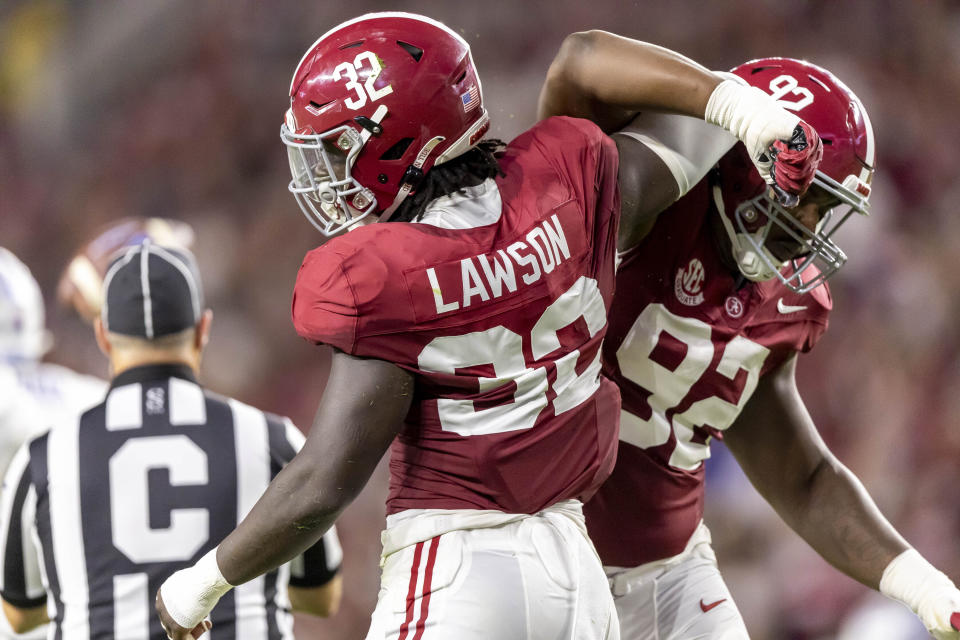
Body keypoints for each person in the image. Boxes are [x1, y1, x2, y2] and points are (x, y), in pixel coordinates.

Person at [155, 13, 821, 639]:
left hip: (457, 568)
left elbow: (325, 479)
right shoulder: (567, 179)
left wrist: (200, 584)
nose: (326, 174)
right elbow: (672, 115)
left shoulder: (380, 273)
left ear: (397, 141)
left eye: (336, 149)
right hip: (577, 579)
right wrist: (747, 111)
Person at [538, 36, 960, 640]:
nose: (811, 229)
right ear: (744, 159)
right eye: (806, 200)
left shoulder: (789, 302)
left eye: (826, 209)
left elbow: (803, 476)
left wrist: (921, 586)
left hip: (670, 573)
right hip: (537, 547)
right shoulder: (644, 201)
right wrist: (731, 106)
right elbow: (579, 63)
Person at [0, 241, 343, 639]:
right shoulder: (272, 439)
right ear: (203, 330)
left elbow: (20, 614)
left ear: (103, 336)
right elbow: (322, 597)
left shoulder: (47, 452)